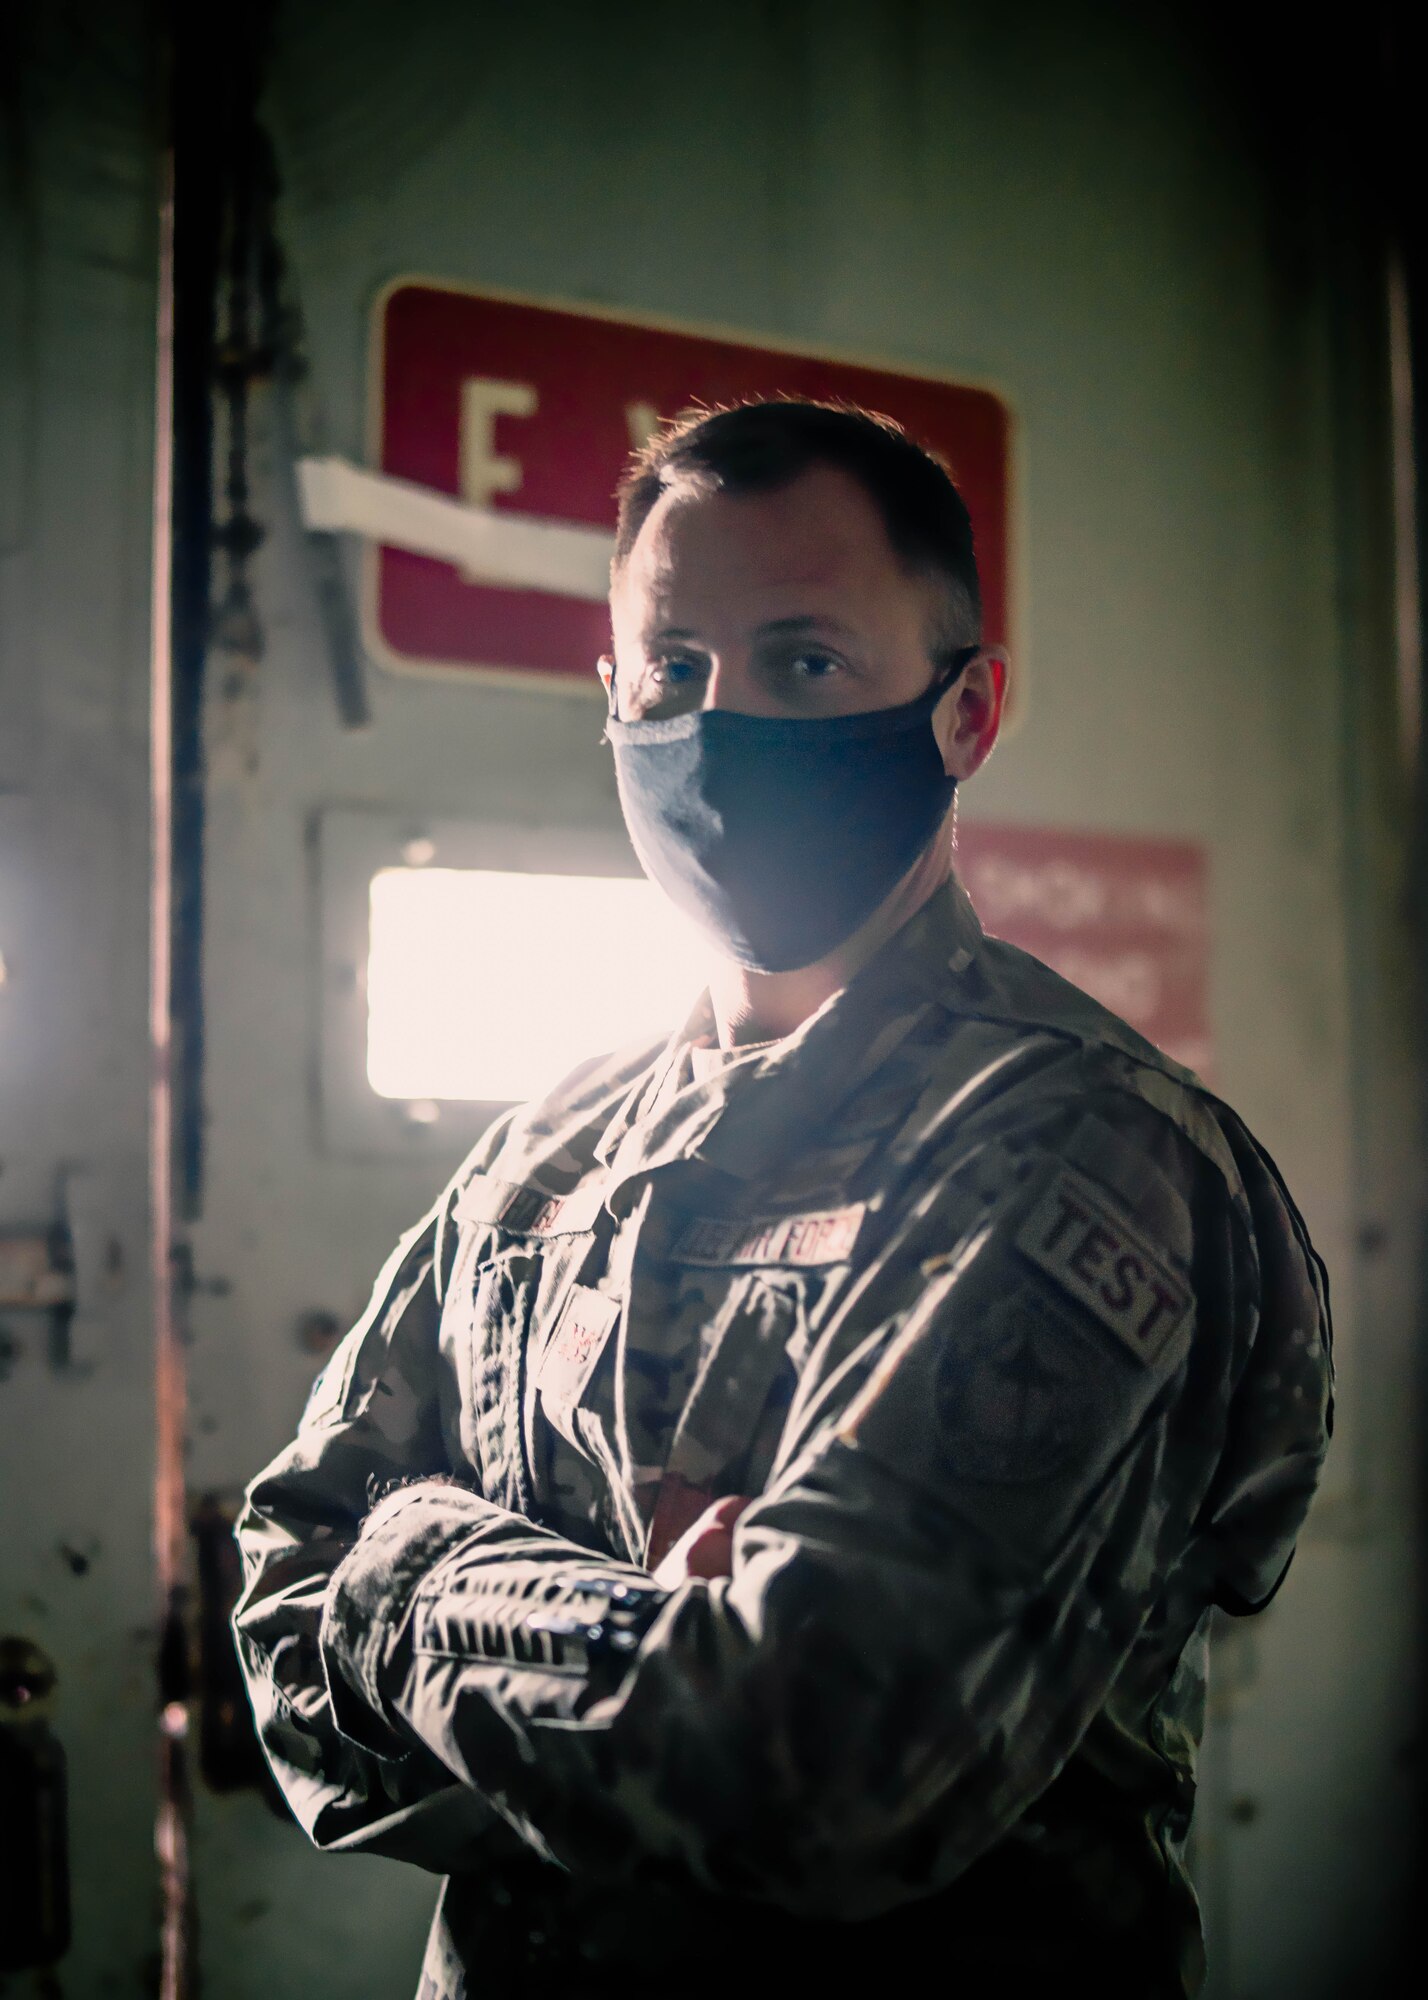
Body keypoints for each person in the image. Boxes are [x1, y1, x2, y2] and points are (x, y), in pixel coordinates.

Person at [233, 400, 1332, 1999]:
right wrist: (631, 1647)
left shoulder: (1077, 1149)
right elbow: (277, 1614)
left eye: (805, 662)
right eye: (673, 672)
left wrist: (415, 1573)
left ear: (967, 714)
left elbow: (818, 1762)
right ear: (611, 699)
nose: (718, 719)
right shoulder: (547, 1152)